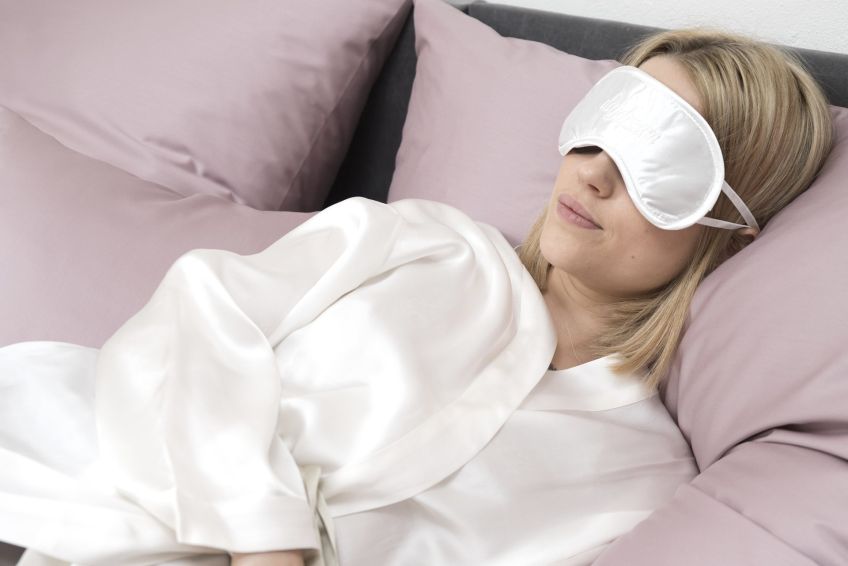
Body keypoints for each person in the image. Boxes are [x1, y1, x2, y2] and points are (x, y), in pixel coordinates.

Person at [0, 27, 833, 566]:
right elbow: (201, 318)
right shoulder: (420, 242)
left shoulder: (640, 476)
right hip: (83, 507)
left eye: (660, 165)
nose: (594, 172)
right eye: (603, 127)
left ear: (730, 228)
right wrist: (264, 538)